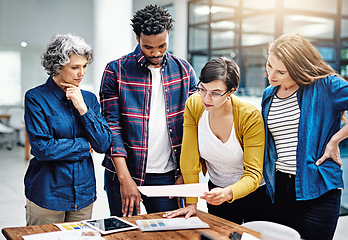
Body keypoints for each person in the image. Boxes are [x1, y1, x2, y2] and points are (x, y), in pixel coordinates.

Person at [99, 5, 197, 218]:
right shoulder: (116, 71)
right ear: (137, 38)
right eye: (148, 47)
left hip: (167, 176)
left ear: (168, 35)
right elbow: (111, 128)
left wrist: (186, 174)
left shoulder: (184, 71)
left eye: (162, 46)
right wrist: (125, 179)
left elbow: (195, 127)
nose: (156, 53)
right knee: (125, 233)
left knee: (167, 234)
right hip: (124, 173)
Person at [261, 33, 348, 240]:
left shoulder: (326, 86)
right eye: (269, 65)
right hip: (279, 190)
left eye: (281, 71)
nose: (271, 76)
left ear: (298, 68)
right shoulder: (269, 94)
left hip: (318, 189)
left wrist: (335, 139)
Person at [163, 57, 272, 225]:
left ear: (231, 91)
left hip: (254, 193)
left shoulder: (249, 116)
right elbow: (189, 160)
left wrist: (228, 193)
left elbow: (254, 174)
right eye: (203, 89)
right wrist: (191, 204)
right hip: (216, 192)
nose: (206, 98)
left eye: (215, 93)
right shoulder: (194, 104)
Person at [24, 34, 112, 226]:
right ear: (57, 66)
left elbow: (103, 143)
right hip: (47, 194)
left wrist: (83, 109)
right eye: (75, 67)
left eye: (84, 66)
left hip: (83, 195)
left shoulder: (88, 99)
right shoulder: (35, 98)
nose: (81, 73)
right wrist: (84, 145)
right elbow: (43, 149)